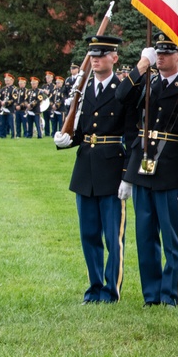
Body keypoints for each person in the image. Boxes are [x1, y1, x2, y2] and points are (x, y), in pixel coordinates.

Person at [116, 32, 178, 307]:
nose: (159, 57)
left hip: (170, 169)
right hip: (142, 166)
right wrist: (140, 65)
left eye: (166, 52)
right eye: (157, 53)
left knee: (172, 236)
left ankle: (170, 294)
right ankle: (151, 295)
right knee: (145, 235)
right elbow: (120, 95)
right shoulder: (146, 82)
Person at [53, 35, 130, 304]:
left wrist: (126, 177)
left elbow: (131, 136)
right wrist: (66, 140)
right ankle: (94, 287)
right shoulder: (82, 91)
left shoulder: (123, 90)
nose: (96, 59)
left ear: (114, 58)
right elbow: (82, 130)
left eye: (102, 55)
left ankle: (111, 290)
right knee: (88, 235)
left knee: (112, 236)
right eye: (93, 55)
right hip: (85, 170)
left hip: (111, 170)